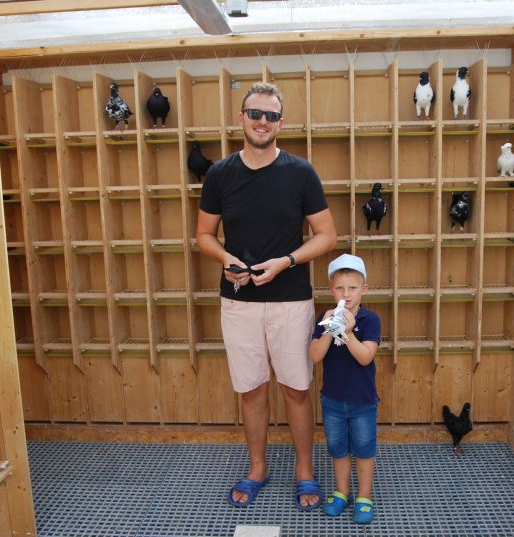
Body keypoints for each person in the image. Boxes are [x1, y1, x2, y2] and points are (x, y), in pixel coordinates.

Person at [196, 82, 337, 510]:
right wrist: (225, 258)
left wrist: (286, 261)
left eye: (271, 116)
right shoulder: (220, 174)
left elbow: (326, 235)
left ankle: (305, 471)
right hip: (239, 301)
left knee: (296, 389)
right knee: (252, 390)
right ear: (241, 117)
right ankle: (258, 468)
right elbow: (204, 235)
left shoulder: (301, 172)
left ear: (281, 122)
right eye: (255, 114)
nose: (262, 122)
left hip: (290, 300)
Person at [309, 253, 381, 524]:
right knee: (337, 449)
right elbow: (315, 356)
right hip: (332, 401)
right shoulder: (324, 318)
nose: (346, 294)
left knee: (364, 450)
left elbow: (365, 357)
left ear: (364, 289)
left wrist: (348, 332)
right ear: (331, 290)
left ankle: (364, 496)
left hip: (362, 402)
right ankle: (342, 492)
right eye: (340, 288)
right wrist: (330, 329)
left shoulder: (370, 320)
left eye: (352, 288)